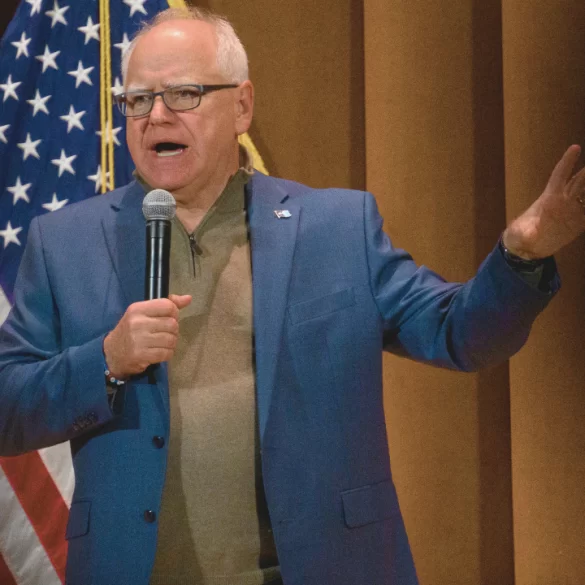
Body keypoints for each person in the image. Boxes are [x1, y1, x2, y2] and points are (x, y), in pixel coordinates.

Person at [1, 7, 585, 585]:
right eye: (137, 100)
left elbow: (458, 333)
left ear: (242, 105)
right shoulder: (64, 244)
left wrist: (522, 252)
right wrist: (104, 360)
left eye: (183, 94)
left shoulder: (336, 228)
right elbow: (7, 406)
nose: (156, 116)